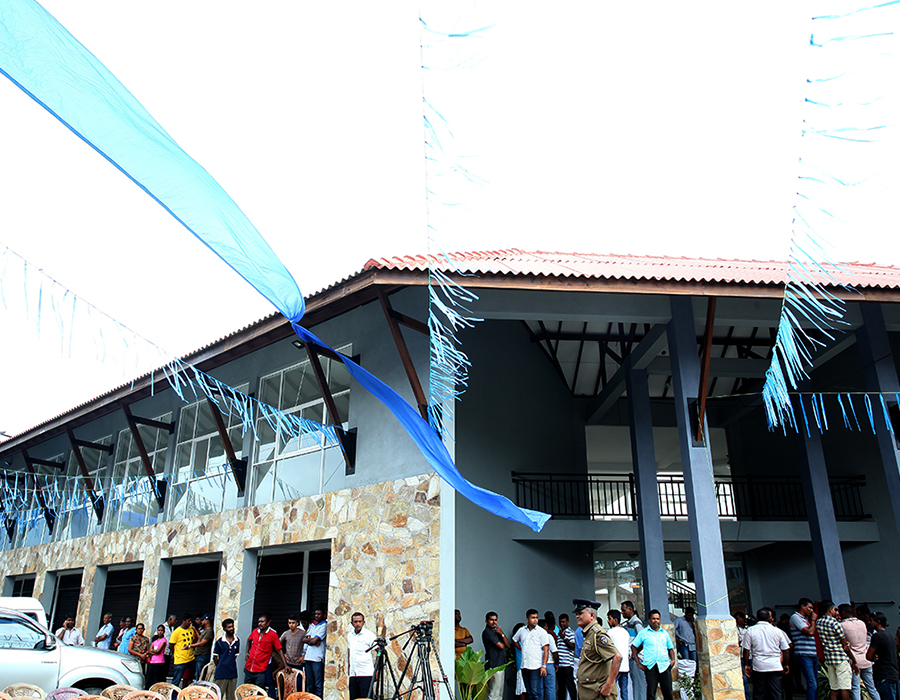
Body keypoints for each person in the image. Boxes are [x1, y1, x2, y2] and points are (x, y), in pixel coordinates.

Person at [573, 599, 621, 700]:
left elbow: (617, 657)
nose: (577, 616)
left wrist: (608, 686)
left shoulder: (597, 634)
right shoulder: (588, 633)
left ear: (592, 615)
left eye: (581, 613)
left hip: (598, 693)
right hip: (590, 692)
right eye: (576, 614)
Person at [741, 608, 790, 700]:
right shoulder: (777, 631)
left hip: (759, 666)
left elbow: (746, 649)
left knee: (759, 693)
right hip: (775, 665)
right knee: (777, 693)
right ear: (770, 618)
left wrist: (747, 664)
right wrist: (786, 664)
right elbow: (786, 650)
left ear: (756, 618)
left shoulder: (750, 630)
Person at [817, 600, 859, 700]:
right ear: (830, 610)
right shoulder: (834, 623)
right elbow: (845, 645)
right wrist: (854, 661)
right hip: (840, 658)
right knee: (844, 688)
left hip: (829, 658)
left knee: (834, 688)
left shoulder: (819, 622)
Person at [631, 609, 675, 700]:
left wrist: (673, 660)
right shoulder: (643, 633)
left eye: (658, 619)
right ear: (650, 620)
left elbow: (670, 648)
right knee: (651, 693)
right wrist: (638, 663)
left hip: (664, 666)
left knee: (668, 693)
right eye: (654, 619)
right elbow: (634, 647)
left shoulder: (665, 633)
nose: (656, 621)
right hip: (651, 666)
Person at [839, 604, 880, 700]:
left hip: (854, 662)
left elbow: (843, 643)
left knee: (856, 688)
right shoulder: (862, 623)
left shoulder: (842, 626)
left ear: (843, 613)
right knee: (872, 688)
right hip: (866, 659)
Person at [513, 608, 552, 700]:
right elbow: (514, 640)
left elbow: (546, 649)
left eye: (536, 618)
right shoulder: (522, 630)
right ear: (527, 619)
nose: (535, 620)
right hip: (524, 666)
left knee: (536, 692)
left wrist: (544, 666)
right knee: (529, 691)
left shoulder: (541, 632)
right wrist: (522, 649)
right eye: (533, 618)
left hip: (536, 666)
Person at [246, 613, 287, 697]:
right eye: (259, 622)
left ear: (268, 623)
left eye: (262, 622)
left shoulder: (273, 635)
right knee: (247, 691)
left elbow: (279, 649)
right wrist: (247, 652)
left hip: (261, 668)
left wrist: (285, 664)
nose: (260, 624)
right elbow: (248, 640)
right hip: (249, 667)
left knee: (258, 692)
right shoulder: (255, 631)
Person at [790, 599, 820, 700]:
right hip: (803, 653)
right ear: (802, 606)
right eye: (809, 608)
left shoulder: (805, 619)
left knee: (815, 683)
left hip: (812, 654)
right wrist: (813, 620)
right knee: (812, 684)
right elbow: (809, 632)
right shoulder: (795, 617)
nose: (811, 610)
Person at [866, 612, 899, 700]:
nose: (869, 622)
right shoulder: (890, 635)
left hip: (884, 675)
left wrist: (874, 657)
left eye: (871, 620)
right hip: (893, 674)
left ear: (878, 622)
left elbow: (869, 656)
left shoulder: (877, 636)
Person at [347, 611, 377, 700]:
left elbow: (378, 650)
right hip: (353, 673)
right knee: (354, 697)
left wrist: (377, 669)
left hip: (366, 673)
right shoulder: (350, 635)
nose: (358, 624)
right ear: (352, 623)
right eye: (355, 622)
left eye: (360, 621)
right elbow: (350, 652)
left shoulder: (369, 635)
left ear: (363, 622)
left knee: (366, 698)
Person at [483, 611, 511, 700]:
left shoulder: (497, 632)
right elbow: (501, 646)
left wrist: (501, 633)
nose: (494, 622)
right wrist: (500, 634)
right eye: (491, 620)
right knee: (493, 694)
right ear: (486, 621)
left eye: (495, 620)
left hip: (500, 665)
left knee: (499, 694)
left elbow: (508, 645)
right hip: (493, 665)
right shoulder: (488, 632)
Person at [621, 602, 645, 700]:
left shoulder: (636, 623)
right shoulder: (629, 623)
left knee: (639, 686)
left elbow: (643, 639)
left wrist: (635, 655)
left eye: (624, 610)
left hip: (637, 659)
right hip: (633, 658)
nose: (622, 613)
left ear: (630, 610)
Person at [303, 608, 327, 698]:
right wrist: (311, 640)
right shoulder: (313, 626)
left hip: (317, 659)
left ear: (324, 615)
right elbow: (303, 639)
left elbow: (313, 641)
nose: (316, 616)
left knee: (318, 684)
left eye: (319, 614)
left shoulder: (324, 626)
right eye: (316, 614)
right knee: (309, 684)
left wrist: (311, 640)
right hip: (308, 658)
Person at [606, 610, 631, 700]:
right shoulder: (625, 632)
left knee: (611, 690)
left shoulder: (610, 632)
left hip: (614, 667)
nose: (608, 621)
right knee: (624, 691)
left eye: (609, 619)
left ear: (615, 620)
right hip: (625, 667)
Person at [213, 618, 240, 700]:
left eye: (232, 626)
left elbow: (235, 656)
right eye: (229, 627)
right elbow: (215, 657)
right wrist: (222, 665)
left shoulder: (237, 641)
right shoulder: (220, 642)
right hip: (221, 672)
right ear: (224, 629)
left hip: (232, 672)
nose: (231, 629)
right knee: (218, 695)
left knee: (231, 696)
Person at [170, 613, 197, 688]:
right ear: (183, 621)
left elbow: (196, 639)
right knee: (176, 680)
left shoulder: (191, 629)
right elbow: (171, 645)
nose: (190, 623)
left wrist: (195, 629)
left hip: (191, 658)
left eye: (191, 621)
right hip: (180, 659)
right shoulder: (177, 632)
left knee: (191, 677)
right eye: (188, 621)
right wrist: (176, 653)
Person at [557, 613, 578, 700]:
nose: (562, 624)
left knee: (570, 685)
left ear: (568, 622)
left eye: (564, 622)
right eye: (561, 622)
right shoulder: (560, 633)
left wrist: (564, 638)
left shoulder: (570, 633)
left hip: (567, 665)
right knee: (561, 687)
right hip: (560, 665)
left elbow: (573, 647)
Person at [537, 618, 558, 700]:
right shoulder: (548, 636)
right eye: (546, 626)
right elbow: (554, 652)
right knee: (550, 688)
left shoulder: (536, 637)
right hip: (549, 664)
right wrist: (557, 664)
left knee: (540, 688)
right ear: (544, 627)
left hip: (538, 665)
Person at [192, 615, 214, 680]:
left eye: (203, 620)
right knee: (197, 674)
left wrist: (190, 645)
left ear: (207, 621)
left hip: (202, 656)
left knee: (200, 675)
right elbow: (200, 639)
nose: (202, 621)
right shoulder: (205, 630)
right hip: (199, 655)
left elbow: (202, 643)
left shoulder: (209, 631)